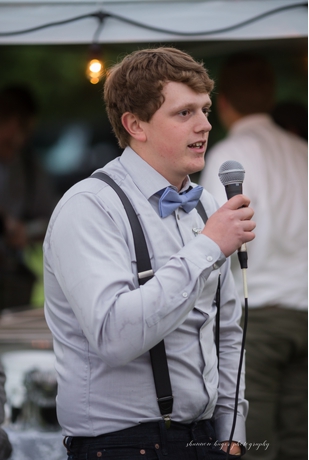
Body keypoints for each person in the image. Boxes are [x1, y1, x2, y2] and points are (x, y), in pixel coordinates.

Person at [43, 47, 254, 459]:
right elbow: (114, 336)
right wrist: (207, 247)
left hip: (207, 438)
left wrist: (233, 430)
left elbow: (226, 327)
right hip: (122, 444)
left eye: (205, 109)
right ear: (135, 124)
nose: (205, 125)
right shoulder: (89, 207)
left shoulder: (207, 205)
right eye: (184, 113)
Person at [202, 52, 308, 459]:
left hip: (258, 316)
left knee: (255, 444)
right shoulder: (299, 149)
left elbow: (211, 242)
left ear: (223, 102)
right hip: (303, 308)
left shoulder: (227, 156)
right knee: (300, 442)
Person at [0, 84, 57, 310]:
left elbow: (53, 222)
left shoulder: (29, 169)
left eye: (23, 129)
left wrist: (25, 230)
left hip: (9, 282)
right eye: (9, 126)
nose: (17, 138)